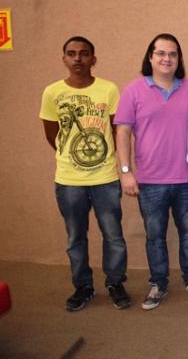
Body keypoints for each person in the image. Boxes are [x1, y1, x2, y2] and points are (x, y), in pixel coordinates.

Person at [115, 33, 188, 311]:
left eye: (173, 54)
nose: (167, 58)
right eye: (161, 53)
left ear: (179, 59)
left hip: (187, 179)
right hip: (150, 181)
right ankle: (158, 283)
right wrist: (126, 171)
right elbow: (123, 132)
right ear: (151, 57)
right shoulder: (133, 90)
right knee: (155, 235)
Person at [40, 36, 130, 311]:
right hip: (69, 181)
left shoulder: (109, 89)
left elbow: (117, 131)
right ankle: (83, 286)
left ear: (93, 58)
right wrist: (70, 156)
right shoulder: (52, 92)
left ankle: (115, 282)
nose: (78, 58)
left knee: (113, 235)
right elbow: (51, 134)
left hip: (105, 178)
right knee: (75, 236)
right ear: (64, 58)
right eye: (72, 53)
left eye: (84, 53)